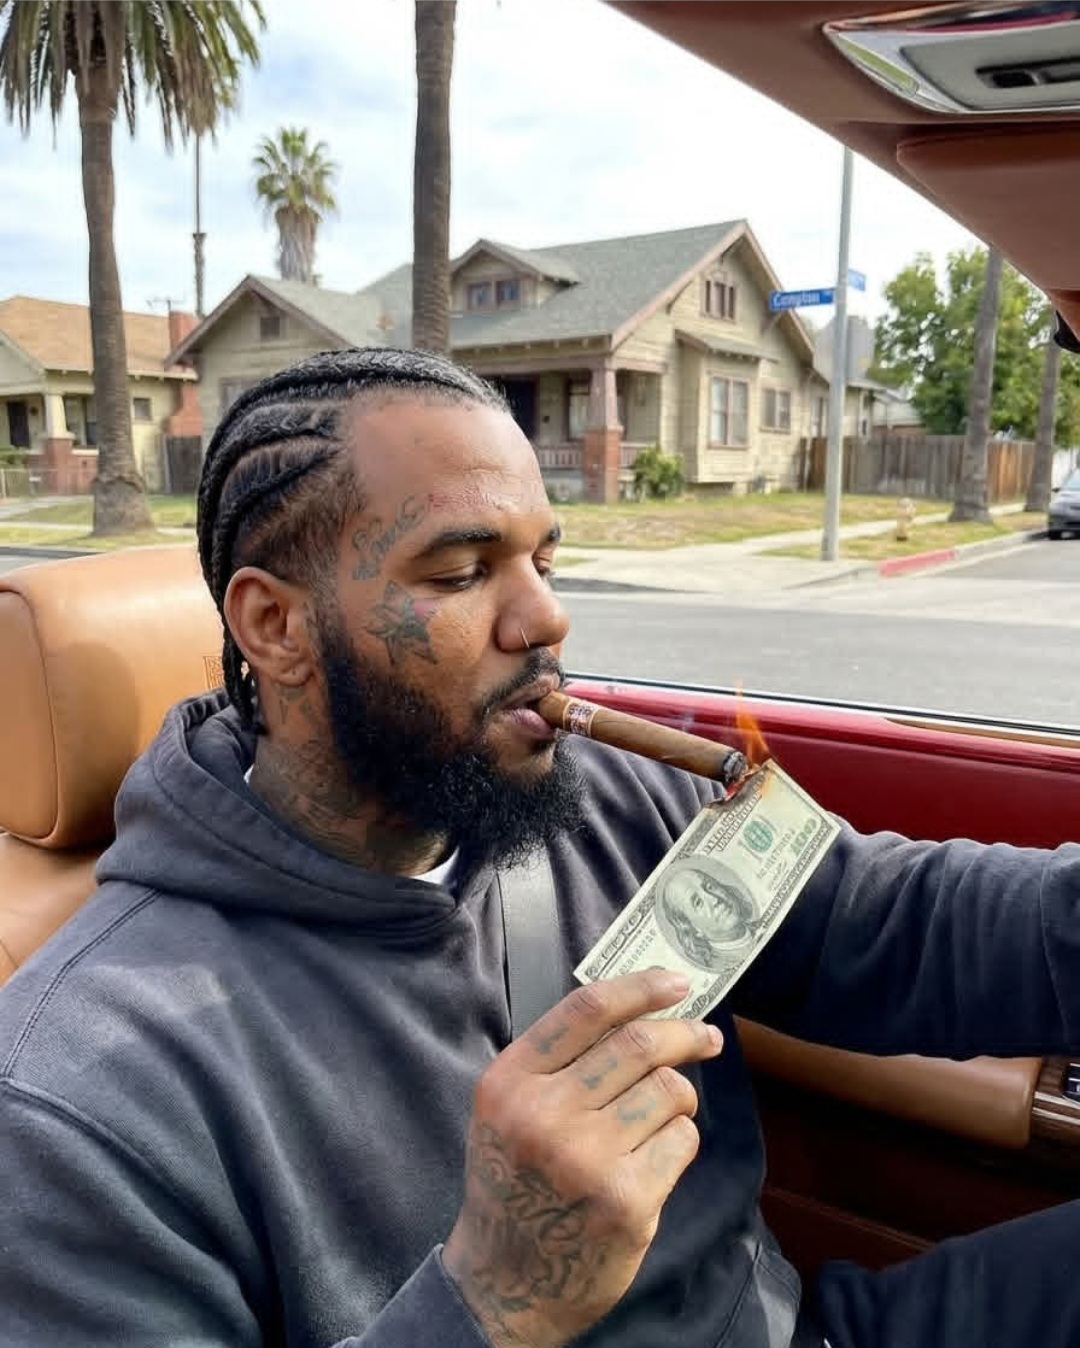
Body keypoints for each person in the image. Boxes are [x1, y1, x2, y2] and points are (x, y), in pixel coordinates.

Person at [1, 346, 1079, 1348]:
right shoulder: (78, 1096)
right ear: (276, 627)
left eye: (543, 560)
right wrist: (490, 1298)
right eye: (462, 572)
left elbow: (887, 922)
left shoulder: (606, 793)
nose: (546, 617)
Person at [656, 857, 760, 967]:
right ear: (694, 929)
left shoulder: (760, 927)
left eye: (710, 887)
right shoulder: (719, 966)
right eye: (698, 903)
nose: (714, 899)